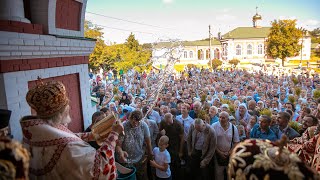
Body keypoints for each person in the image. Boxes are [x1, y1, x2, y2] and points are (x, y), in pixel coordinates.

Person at [21, 80, 124, 179]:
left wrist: (90, 136)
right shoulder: (70, 147)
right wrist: (114, 134)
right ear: (63, 111)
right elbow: (102, 171)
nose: (69, 107)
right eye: (67, 105)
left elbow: (57, 136)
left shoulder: (31, 135)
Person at [116, 110, 153, 180]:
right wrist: (120, 152)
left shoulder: (143, 125)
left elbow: (148, 142)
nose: (136, 124)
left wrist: (150, 154)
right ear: (130, 119)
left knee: (142, 176)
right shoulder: (123, 126)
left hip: (139, 158)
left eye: (138, 122)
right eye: (133, 122)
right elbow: (118, 145)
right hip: (125, 160)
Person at [212, 111, 240, 180]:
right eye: (220, 117)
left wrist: (229, 152)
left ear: (228, 119)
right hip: (217, 154)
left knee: (229, 173)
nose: (221, 119)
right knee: (218, 174)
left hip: (229, 155)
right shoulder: (214, 126)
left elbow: (236, 142)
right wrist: (220, 152)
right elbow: (212, 142)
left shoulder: (233, 128)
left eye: (223, 118)